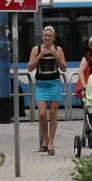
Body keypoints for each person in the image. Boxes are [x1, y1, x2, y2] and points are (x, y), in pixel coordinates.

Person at [28, 25, 67, 155]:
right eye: (45, 35)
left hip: (55, 84)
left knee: (53, 113)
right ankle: (46, 137)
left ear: (53, 38)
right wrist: (40, 55)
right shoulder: (36, 49)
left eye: (50, 36)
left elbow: (64, 68)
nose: (47, 38)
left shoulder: (58, 49)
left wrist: (57, 56)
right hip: (41, 85)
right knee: (43, 113)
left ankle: (50, 143)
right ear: (42, 37)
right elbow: (30, 67)